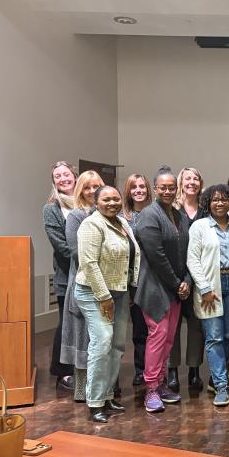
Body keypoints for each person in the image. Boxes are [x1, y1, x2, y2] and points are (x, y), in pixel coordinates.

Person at [74, 186, 140, 423]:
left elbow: (133, 255)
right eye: (106, 199)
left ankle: (108, 395)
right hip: (93, 293)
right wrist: (104, 297)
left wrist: (131, 286)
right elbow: (89, 264)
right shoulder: (91, 225)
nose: (112, 203)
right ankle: (94, 402)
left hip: (119, 292)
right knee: (102, 342)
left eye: (115, 198)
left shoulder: (123, 222)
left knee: (117, 346)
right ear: (96, 201)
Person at [187, 184, 229, 406]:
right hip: (211, 288)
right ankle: (221, 387)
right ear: (208, 202)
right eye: (215, 199)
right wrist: (204, 288)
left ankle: (220, 378)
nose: (219, 203)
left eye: (224, 199)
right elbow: (192, 260)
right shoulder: (199, 227)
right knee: (214, 337)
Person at [134, 166, 192, 413]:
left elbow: (190, 252)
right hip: (156, 289)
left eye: (171, 187)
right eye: (163, 187)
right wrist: (176, 283)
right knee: (157, 337)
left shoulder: (179, 216)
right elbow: (156, 256)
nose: (168, 191)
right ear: (155, 189)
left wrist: (186, 281)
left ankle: (161, 382)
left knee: (169, 339)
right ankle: (151, 389)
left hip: (177, 288)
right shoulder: (149, 215)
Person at [60, 170, 104, 403]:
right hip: (84, 286)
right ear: (80, 190)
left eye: (96, 186)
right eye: (87, 186)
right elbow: (77, 252)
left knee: (102, 341)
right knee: (83, 341)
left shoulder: (108, 213)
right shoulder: (76, 216)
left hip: (107, 287)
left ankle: (103, 390)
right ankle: (83, 391)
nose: (91, 191)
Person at [169, 166, 206, 391]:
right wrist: (178, 280)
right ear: (181, 182)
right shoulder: (171, 209)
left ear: (200, 183)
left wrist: (193, 279)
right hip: (174, 276)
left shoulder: (205, 209)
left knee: (196, 325)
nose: (191, 182)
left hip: (199, 275)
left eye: (195, 178)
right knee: (172, 326)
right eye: (187, 178)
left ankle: (194, 370)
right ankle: (172, 370)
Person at [42, 161, 77, 390]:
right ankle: (61, 371)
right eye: (57, 176)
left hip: (91, 276)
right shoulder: (52, 209)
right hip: (67, 276)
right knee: (66, 324)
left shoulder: (87, 202)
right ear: (53, 181)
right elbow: (60, 245)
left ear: (74, 176)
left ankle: (81, 368)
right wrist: (87, 257)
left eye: (66, 174)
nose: (63, 178)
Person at [120, 173, 152, 386]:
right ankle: (141, 369)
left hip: (154, 280)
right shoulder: (122, 218)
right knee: (139, 329)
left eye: (142, 186)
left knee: (158, 330)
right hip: (133, 282)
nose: (139, 190)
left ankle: (156, 368)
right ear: (128, 191)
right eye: (134, 187)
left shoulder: (155, 213)